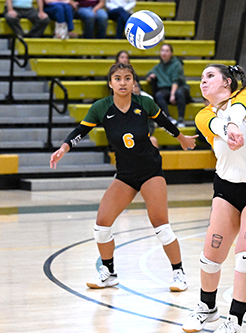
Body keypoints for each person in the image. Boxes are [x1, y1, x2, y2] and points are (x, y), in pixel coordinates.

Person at [50, 63, 198, 292]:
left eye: (127, 78)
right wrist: (64, 148)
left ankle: (179, 273)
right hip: (126, 175)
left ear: (133, 83)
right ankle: (109, 273)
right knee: (101, 225)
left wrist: (181, 138)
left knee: (161, 226)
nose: (122, 82)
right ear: (110, 83)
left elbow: (165, 122)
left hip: (151, 172)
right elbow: (80, 131)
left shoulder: (144, 103)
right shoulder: (101, 108)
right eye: (117, 78)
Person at [182, 64, 246, 333]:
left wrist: (234, 126)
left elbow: (236, 112)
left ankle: (235, 319)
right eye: (201, 78)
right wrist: (228, 132)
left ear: (227, 82)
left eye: (210, 76)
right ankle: (207, 309)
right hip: (226, 189)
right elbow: (215, 125)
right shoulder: (203, 115)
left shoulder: (245, 98)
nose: (203, 82)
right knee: (210, 257)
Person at [146, 43, 192, 128]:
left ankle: (181, 119)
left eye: (167, 51)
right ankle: (168, 117)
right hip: (166, 89)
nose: (164, 53)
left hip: (179, 87)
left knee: (179, 93)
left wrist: (172, 95)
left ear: (171, 53)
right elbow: (149, 75)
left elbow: (176, 81)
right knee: (159, 95)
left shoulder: (176, 64)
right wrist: (151, 76)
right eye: (162, 50)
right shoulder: (159, 66)